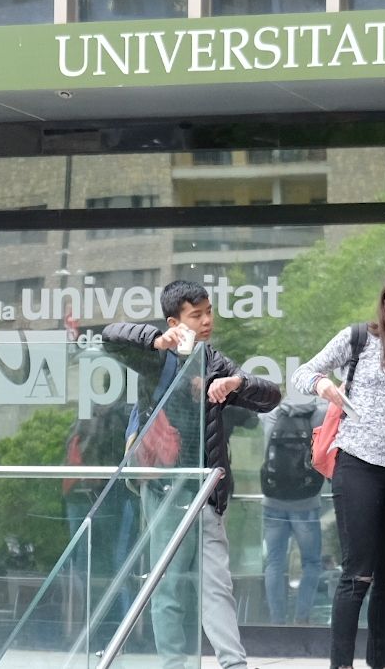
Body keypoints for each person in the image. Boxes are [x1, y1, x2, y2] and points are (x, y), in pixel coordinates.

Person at [102, 279, 281, 669]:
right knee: (166, 586)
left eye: (209, 312)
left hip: (206, 491)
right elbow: (110, 336)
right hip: (165, 489)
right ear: (175, 322)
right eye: (196, 315)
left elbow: (272, 396)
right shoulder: (156, 359)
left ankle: (233, 663)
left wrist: (238, 383)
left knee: (216, 585)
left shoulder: (215, 362)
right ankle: (174, 665)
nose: (206, 321)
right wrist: (155, 340)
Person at [291, 266, 385, 669]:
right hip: (357, 462)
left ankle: (380, 664)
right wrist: (323, 385)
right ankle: (341, 664)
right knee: (357, 573)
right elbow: (302, 373)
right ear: (384, 301)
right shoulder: (359, 338)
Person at [259, 398, 326, 625]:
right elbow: (339, 405)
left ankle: (277, 622)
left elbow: (254, 404)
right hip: (306, 503)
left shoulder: (271, 414)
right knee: (311, 563)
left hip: (272, 502)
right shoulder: (318, 415)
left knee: (274, 563)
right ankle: (302, 618)